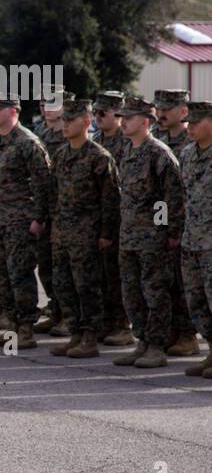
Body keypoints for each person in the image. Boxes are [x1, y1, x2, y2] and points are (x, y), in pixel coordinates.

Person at [111, 96, 184, 370]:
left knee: (155, 292)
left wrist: (164, 231)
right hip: (129, 236)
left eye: (128, 117)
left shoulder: (159, 154)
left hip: (152, 240)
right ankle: (141, 340)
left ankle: (156, 346)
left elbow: (170, 198)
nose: (123, 121)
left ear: (144, 122)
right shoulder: (128, 151)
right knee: (132, 293)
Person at [48, 94, 120, 358]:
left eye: (71, 119)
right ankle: (75, 333)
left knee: (87, 287)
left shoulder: (99, 158)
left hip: (88, 236)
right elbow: (52, 195)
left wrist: (105, 234)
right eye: (63, 119)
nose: (65, 124)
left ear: (87, 121)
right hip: (62, 235)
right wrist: (54, 227)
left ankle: (90, 337)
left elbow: (110, 200)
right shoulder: (60, 155)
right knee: (64, 286)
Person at [0, 92, 51, 350]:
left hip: (20, 221)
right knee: (0, 277)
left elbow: (43, 184)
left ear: (12, 111)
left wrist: (39, 218)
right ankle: (11, 327)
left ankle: (26, 330)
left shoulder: (28, 143)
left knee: (20, 275)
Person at [153, 89, 199, 357]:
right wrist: (162, 224)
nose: (161, 113)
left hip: (188, 223)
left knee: (184, 283)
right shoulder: (157, 140)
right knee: (165, 280)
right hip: (162, 220)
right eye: (159, 108)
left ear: (183, 112)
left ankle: (187, 335)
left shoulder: (190, 142)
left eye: (167, 109)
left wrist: (173, 227)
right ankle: (171, 330)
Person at [92, 90, 133, 346]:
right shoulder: (96, 140)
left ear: (118, 115)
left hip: (122, 220)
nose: (97, 117)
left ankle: (122, 324)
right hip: (99, 218)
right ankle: (107, 320)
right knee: (102, 273)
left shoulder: (126, 143)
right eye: (95, 112)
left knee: (119, 276)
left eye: (102, 113)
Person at [178, 100, 212, 379]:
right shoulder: (187, 154)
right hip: (191, 240)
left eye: (196, 122)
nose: (189, 127)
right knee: (197, 301)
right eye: (188, 121)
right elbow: (183, 198)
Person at [34, 89, 69, 335]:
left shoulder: (71, 137)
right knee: (47, 265)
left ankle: (69, 315)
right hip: (48, 206)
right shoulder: (42, 135)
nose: (47, 107)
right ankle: (56, 310)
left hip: (67, 211)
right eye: (44, 103)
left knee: (66, 268)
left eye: (53, 103)